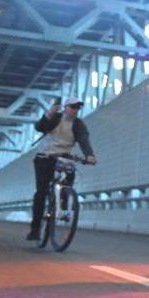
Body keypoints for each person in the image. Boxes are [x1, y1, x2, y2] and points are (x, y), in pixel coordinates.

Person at [28, 97, 97, 240]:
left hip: (63, 157)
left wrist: (89, 155)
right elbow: (40, 127)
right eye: (73, 107)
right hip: (44, 156)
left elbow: (83, 139)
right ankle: (35, 229)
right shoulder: (55, 117)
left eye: (78, 107)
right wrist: (49, 114)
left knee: (69, 178)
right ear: (65, 107)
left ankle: (64, 207)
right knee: (41, 192)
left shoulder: (78, 124)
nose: (75, 110)